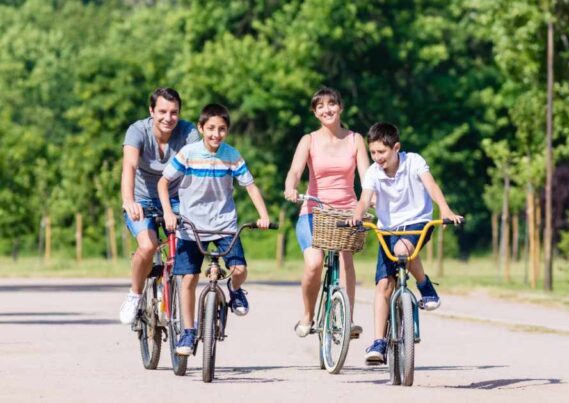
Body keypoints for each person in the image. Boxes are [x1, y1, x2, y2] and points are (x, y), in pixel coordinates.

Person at [158, 103, 271, 355]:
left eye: (221, 129)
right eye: (210, 128)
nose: (215, 134)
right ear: (200, 128)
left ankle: (234, 290)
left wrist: (263, 215)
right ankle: (188, 332)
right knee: (188, 279)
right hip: (191, 226)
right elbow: (163, 182)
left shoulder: (232, 155)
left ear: (227, 131)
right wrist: (168, 212)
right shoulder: (188, 153)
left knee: (239, 269)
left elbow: (250, 186)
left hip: (224, 226)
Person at [348, 122, 463, 365]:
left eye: (382, 152)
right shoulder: (373, 172)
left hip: (416, 222)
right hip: (387, 229)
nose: (377, 158)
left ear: (396, 148)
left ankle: (423, 284)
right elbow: (364, 198)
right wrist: (357, 216)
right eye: (373, 153)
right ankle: (378, 341)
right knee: (383, 284)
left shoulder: (414, 161)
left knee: (402, 250)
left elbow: (431, 185)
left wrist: (444, 209)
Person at [284, 87, 371, 338]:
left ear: (340, 107)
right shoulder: (308, 140)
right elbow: (294, 171)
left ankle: (348, 319)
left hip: (347, 212)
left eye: (331, 104)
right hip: (314, 212)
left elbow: (366, 176)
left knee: (346, 259)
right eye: (320, 106)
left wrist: (370, 198)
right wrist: (291, 187)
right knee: (314, 263)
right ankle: (308, 314)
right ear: (314, 113)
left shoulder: (355, 139)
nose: (327, 109)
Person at [119, 88, 199, 325]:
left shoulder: (188, 133)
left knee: (190, 247)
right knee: (148, 245)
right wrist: (129, 200)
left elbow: (199, 165)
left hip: (176, 200)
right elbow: (129, 167)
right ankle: (134, 294)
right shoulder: (137, 131)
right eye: (162, 111)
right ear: (151, 111)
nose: (168, 118)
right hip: (142, 200)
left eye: (174, 112)